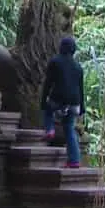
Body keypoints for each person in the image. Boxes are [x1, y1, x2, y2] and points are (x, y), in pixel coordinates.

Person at [40, 35, 85, 168]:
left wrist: (43, 101)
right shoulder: (78, 67)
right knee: (70, 128)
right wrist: (82, 108)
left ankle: (49, 130)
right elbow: (81, 89)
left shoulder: (55, 62)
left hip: (58, 99)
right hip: (74, 104)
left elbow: (48, 83)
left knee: (48, 110)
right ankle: (74, 160)